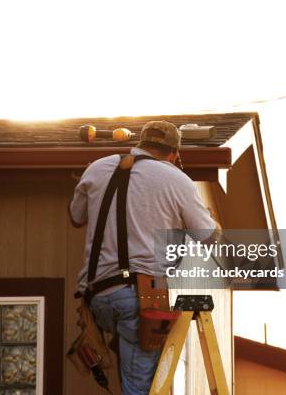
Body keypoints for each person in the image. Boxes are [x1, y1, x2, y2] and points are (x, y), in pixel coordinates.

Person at [69, 120, 217, 394]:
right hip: (139, 299)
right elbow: (208, 238)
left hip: (96, 299)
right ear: (173, 153)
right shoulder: (176, 179)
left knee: (130, 363)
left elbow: (76, 216)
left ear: (140, 145)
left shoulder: (97, 167)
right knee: (140, 389)